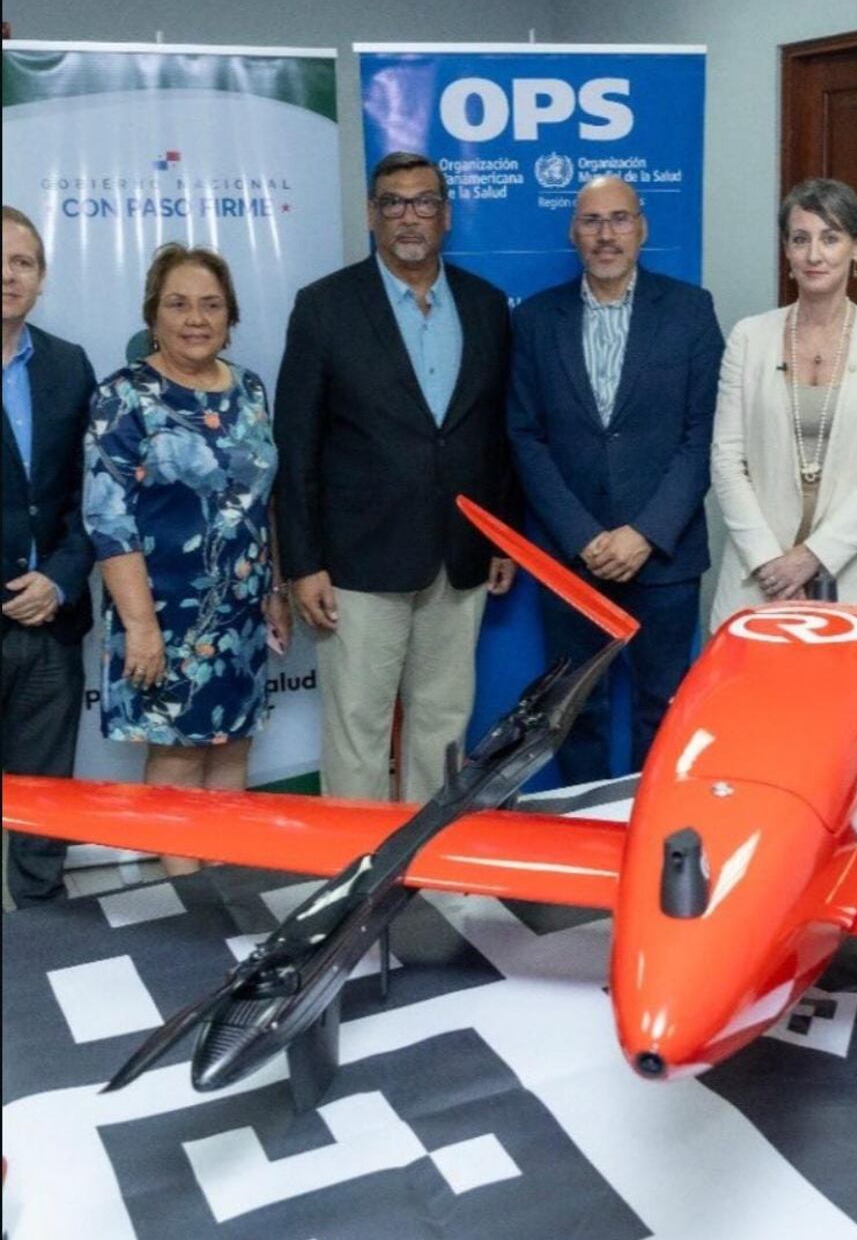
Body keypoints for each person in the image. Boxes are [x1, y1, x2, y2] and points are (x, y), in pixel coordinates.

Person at [274, 151, 518, 804]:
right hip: (355, 561)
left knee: (443, 723)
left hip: (459, 555)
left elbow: (498, 432)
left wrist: (502, 535)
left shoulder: (487, 306)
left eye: (424, 201)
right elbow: (294, 447)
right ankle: (353, 880)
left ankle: (425, 867)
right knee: (358, 726)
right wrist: (302, 563)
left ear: (447, 214)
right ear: (371, 214)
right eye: (394, 202)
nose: (410, 216)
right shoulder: (325, 307)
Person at [508, 174, 724, 784]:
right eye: (593, 221)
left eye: (620, 219)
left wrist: (645, 533)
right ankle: (589, 844)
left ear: (642, 228)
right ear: (573, 231)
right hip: (572, 560)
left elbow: (702, 432)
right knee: (578, 712)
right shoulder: (537, 320)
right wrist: (583, 536)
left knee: (664, 708)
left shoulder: (689, 310)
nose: (607, 235)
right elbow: (525, 436)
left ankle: (653, 839)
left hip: (664, 557)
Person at [83, 243, 289, 874]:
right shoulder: (124, 396)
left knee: (231, 748)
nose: (195, 318)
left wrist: (275, 586)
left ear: (230, 317)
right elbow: (107, 519)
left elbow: (262, 499)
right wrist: (141, 628)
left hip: (242, 610)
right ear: (153, 315)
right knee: (176, 762)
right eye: (178, 304)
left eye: (211, 305)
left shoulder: (250, 388)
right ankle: (186, 916)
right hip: (163, 616)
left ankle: (224, 889)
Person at [710, 179, 857, 627]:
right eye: (800, 239)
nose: (814, 255)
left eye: (831, 238)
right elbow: (727, 459)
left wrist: (812, 556)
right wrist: (771, 562)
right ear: (786, 249)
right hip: (758, 580)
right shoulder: (749, 338)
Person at [2, 207, 96, 907]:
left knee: (44, 808)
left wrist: (60, 578)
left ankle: (45, 954)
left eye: (22, 262)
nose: (7, 275)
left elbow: (92, 497)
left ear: (40, 279)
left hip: (51, 624)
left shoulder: (68, 365)